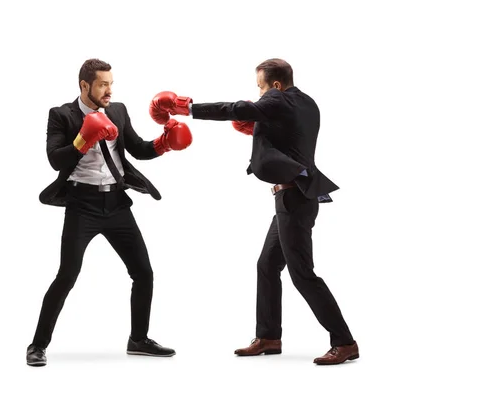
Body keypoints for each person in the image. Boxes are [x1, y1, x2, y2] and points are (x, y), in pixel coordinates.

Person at [148, 58, 358, 365]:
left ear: (274, 84)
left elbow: (236, 109)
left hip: (292, 200)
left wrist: (186, 108)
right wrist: (262, 130)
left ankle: (344, 342)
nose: (259, 95)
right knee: (267, 264)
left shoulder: (277, 98)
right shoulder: (307, 103)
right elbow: (291, 136)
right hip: (296, 198)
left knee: (303, 275)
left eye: (260, 87)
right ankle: (269, 337)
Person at [27, 58, 191, 366]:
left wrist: (163, 143)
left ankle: (138, 340)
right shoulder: (61, 115)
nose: (109, 91)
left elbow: (138, 148)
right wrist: (83, 137)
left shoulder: (118, 111)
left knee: (143, 272)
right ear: (84, 85)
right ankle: (37, 345)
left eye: (111, 83)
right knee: (67, 275)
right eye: (103, 84)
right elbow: (55, 160)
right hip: (82, 205)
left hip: (116, 204)